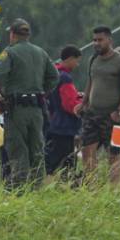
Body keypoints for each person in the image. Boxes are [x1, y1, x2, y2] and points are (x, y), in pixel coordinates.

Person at [0, 18, 58, 188]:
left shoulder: (10, 52)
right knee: (36, 149)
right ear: (27, 35)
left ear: (12, 34)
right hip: (36, 109)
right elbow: (54, 76)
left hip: (16, 109)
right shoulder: (41, 52)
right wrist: (42, 91)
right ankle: (37, 187)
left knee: (17, 147)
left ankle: (20, 189)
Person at [79, 26, 120, 186]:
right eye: (94, 40)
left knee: (113, 154)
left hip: (112, 115)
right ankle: (91, 187)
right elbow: (91, 82)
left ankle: (113, 190)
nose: (96, 43)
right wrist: (83, 103)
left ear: (109, 40)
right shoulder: (93, 59)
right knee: (87, 150)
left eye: (100, 40)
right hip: (92, 113)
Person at [46, 46, 84, 176]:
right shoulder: (65, 78)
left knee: (55, 160)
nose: (77, 65)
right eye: (77, 61)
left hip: (53, 122)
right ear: (71, 58)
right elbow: (69, 104)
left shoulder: (53, 74)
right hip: (64, 126)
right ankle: (62, 183)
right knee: (64, 162)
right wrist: (82, 104)